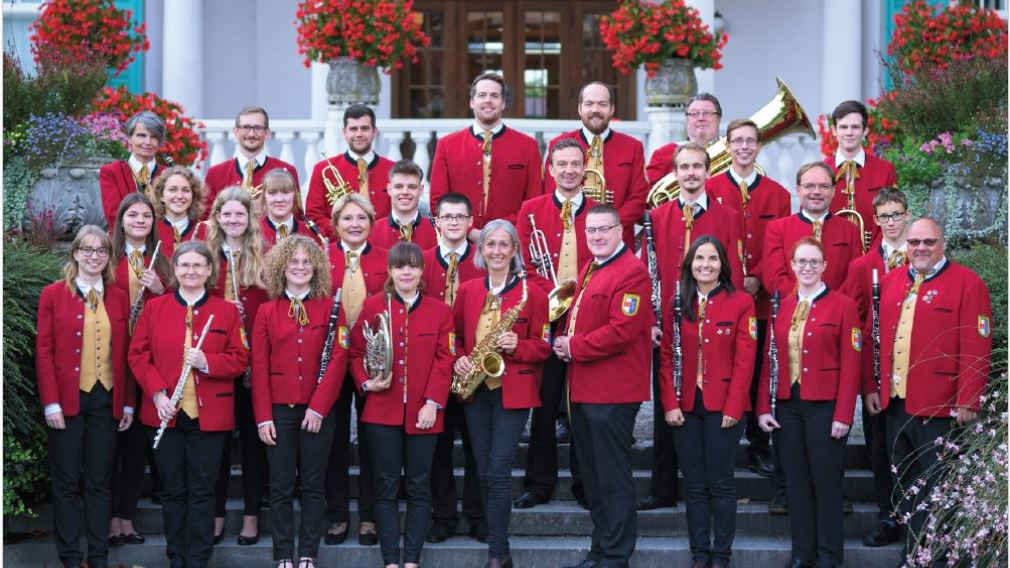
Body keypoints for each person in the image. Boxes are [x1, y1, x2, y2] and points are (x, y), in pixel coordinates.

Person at [867, 218, 991, 565]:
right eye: (914, 242)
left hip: (941, 404)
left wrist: (969, 397)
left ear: (943, 244)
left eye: (929, 242)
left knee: (938, 489)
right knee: (905, 488)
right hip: (896, 404)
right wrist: (872, 388)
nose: (920, 248)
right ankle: (914, 555)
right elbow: (876, 339)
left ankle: (936, 559)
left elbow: (976, 345)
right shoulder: (893, 281)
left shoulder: (968, 283)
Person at [128, 240, 248, 568]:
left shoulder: (225, 310)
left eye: (198, 265)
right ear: (175, 270)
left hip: (210, 418)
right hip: (165, 413)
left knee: (203, 491)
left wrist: (208, 361)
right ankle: (176, 558)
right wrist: (157, 393)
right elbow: (138, 355)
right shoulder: (155, 308)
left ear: (209, 271)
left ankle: (197, 559)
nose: (191, 271)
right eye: (184, 265)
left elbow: (240, 358)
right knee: (172, 491)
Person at [642, 142, 744, 512]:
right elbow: (648, 274)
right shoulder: (657, 217)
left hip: (713, 323)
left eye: (697, 167)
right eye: (683, 167)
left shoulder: (728, 216)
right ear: (675, 172)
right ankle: (662, 488)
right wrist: (651, 321)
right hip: (668, 325)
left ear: (707, 171)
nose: (690, 173)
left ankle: (707, 486)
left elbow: (734, 274)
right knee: (666, 406)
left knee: (709, 405)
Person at [553, 205, 652, 568]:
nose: (596, 236)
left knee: (612, 478)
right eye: (590, 230)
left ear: (620, 230)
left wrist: (573, 346)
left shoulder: (632, 272)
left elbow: (621, 332)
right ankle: (601, 548)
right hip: (584, 390)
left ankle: (616, 555)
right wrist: (565, 339)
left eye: (603, 229)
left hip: (613, 393)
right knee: (594, 479)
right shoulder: (593, 266)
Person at [349, 242, 455, 568]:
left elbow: (445, 358)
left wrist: (433, 403)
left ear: (422, 271)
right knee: (385, 485)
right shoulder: (372, 307)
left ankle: (412, 560)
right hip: (382, 412)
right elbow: (355, 354)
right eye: (399, 266)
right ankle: (391, 561)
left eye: (412, 266)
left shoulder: (440, 311)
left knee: (420, 486)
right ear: (390, 271)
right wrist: (367, 382)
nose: (406, 272)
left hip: (424, 413)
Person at [757, 237, 861, 568]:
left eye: (814, 262)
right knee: (797, 484)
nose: (807, 268)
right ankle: (803, 553)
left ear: (824, 267)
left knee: (825, 483)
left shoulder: (843, 305)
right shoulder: (782, 305)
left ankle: (830, 556)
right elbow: (769, 362)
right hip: (788, 406)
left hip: (825, 407)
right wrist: (763, 408)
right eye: (801, 262)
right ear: (792, 265)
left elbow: (851, 364)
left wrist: (844, 414)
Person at [453, 220, 551, 567]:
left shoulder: (532, 294)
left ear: (514, 251)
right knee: (482, 470)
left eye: (503, 245)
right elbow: (454, 337)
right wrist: (459, 358)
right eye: (490, 244)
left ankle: (498, 552)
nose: (496, 251)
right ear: (481, 251)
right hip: (475, 391)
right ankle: (497, 547)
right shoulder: (467, 290)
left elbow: (544, 347)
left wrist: (518, 345)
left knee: (497, 470)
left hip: (513, 391)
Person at [37, 225, 133, 568]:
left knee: (99, 482)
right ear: (75, 253)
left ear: (108, 257)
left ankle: (98, 557)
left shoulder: (119, 295)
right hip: (66, 403)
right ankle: (68, 558)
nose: (94, 256)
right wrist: (51, 402)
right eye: (87, 250)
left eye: (101, 251)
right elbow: (44, 352)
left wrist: (127, 402)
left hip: (106, 400)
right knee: (65, 484)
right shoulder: (52, 295)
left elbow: (126, 354)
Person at [253, 235, 350, 568]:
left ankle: (308, 553)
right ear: (282, 266)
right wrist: (263, 417)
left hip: (317, 414)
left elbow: (338, 359)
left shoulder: (331, 308)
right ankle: (283, 555)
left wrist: (320, 407)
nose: (299, 267)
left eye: (306, 262)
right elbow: (260, 366)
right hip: (278, 412)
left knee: (312, 485)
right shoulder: (267, 311)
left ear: (316, 267)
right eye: (293, 261)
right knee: (280, 487)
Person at [705, 118, 792, 490]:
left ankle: (758, 444)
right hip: (722, 296)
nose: (743, 147)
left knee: (758, 369)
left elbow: (782, 244)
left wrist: (757, 277)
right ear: (726, 146)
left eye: (750, 141)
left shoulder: (778, 193)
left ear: (759, 146)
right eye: (736, 141)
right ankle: (722, 435)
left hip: (761, 298)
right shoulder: (710, 188)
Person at [659, 235, 756, 568]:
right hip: (685, 407)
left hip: (724, 408)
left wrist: (734, 406)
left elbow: (746, 360)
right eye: (699, 258)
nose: (705, 264)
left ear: (722, 265)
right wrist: (669, 403)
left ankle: (722, 553)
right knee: (695, 484)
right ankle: (700, 552)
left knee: (721, 483)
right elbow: (666, 358)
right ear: (690, 264)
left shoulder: (741, 301)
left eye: (712, 259)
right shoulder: (676, 303)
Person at [513, 138, 598, 510]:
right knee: (544, 405)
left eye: (575, 164)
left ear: (585, 167)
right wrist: (554, 299)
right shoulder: (530, 210)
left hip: (587, 321)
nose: (568, 170)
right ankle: (539, 482)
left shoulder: (599, 212)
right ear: (550, 168)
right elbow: (525, 266)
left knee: (583, 404)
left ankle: (585, 482)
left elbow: (606, 264)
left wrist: (578, 301)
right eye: (561, 164)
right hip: (544, 322)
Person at [837, 188, 910, 547]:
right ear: (875, 222)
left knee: (910, 449)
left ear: (907, 215)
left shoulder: (921, 257)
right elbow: (856, 330)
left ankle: (915, 516)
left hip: (914, 375)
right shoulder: (861, 266)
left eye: (897, 214)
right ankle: (887, 515)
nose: (891, 222)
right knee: (879, 451)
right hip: (877, 378)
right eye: (884, 217)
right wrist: (866, 385)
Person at [205, 187, 271, 545]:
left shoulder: (263, 255)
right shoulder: (207, 255)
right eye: (226, 214)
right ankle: (215, 515)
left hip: (253, 361)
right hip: (215, 359)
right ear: (217, 217)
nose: (233, 220)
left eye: (240, 215)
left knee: (252, 443)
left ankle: (250, 517)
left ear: (250, 219)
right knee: (216, 443)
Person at [324, 194, 389, 546]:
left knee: (372, 441)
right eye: (347, 219)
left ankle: (368, 516)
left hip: (371, 359)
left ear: (370, 222)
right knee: (332, 442)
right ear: (336, 224)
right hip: (331, 358)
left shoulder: (384, 259)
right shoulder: (323, 258)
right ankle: (336, 515)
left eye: (361, 218)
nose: (354, 224)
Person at [423, 192, 487, 544]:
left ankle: (477, 515)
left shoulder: (483, 263)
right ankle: (443, 515)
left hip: (474, 367)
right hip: (433, 368)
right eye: (447, 217)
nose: (453, 223)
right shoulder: (422, 262)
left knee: (478, 447)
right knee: (437, 447)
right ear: (437, 221)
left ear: (469, 222)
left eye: (460, 217)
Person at [108, 194, 170, 548]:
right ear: (121, 219)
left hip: (148, 359)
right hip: (111, 358)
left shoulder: (161, 259)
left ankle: (127, 519)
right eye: (133, 214)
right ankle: (110, 518)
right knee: (109, 444)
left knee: (134, 445)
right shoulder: (108, 256)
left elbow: (177, 305)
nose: (140, 220)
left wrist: (160, 290)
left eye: (146, 215)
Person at [429, 72, 543, 235]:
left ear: (503, 103)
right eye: (482, 95)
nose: (488, 100)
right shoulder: (447, 145)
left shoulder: (528, 146)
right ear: (471, 102)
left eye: (494, 96)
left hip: (510, 240)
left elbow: (534, 201)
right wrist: (469, 231)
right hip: (461, 243)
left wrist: (503, 230)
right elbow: (437, 202)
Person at [544, 82, 649, 250]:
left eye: (602, 104)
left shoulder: (633, 147)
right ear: (579, 109)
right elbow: (551, 194)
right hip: (570, 239)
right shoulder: (558, 144)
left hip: (618, 241)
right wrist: (582, 227)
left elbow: (638, 198)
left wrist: (607, 227)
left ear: (612, 109)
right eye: (589, 104)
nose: (595, 110)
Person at [762, 162, 863, 299]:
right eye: (809, 186)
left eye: (824, 186)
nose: (816, 192)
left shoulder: (851, 230)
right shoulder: (777, 229)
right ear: (798, 190)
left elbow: (854, 280)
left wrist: (831, 304)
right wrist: (805, 300)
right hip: (791, 312)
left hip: (836, 314)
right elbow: (773, 279)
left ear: (833, 191)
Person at [306, 104, 396, 237]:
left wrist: (376, 234)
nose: (359, 134)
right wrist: (346, 232)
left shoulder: (393, 170)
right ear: (344, 132)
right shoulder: (323, 169)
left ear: (375, 132)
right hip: (338, 247)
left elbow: (399, 213)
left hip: (383, 248)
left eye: (365, 128)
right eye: (353, 129)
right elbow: (313, 216)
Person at [825, 100, 898, 247]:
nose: (849, 133)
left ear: (865, 131)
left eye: (855, 127)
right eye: (843, 127)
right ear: (834, 130)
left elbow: (893, 218)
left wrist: (873, 257)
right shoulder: (820, 171)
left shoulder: (885, 170)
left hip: (874, 255)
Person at [203, 106, 300, 215]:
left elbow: (297, 215)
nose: (251, 134)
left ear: (267, 133)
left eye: (257, 128)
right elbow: (206, 218)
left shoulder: (286, 171)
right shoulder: (215, 173)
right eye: (246, 127)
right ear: (235, 132)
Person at [100, 111, 166, 228]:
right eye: (141, 135)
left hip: (164, 243)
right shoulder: (111, 172)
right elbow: (113, 216)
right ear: (129, 138)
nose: (148, 142)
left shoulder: (169, 175)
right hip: (123, 243)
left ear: (160, 142)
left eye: (154, 137)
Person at [646, 93, 723, 182]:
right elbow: (652, 193)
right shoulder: (664, 154)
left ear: (719, 119)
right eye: (694, 114)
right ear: (687, 120)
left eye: (707, 113)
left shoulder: (733, 153)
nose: (701, 118)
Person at [370, 160, 439, 251]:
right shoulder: (373, 231)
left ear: (421, 190)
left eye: (412, 187)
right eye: (399, 187)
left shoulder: (435, 231)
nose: (405, 192)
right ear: (389, 189)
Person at [259, 169, 327, 249]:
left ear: (295, 195)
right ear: (264, 197)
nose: (279, 199)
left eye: (286, 192)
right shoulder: (251, 232)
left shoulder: (315, 234)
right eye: (272, 193)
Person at [149, 166, 208, 258]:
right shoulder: (149, 230)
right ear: (161, 195)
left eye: (186, 190)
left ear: (194, 196)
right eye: (173, 190)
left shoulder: (206, 232)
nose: (180, 196)